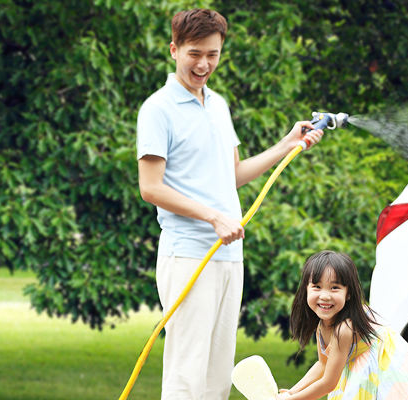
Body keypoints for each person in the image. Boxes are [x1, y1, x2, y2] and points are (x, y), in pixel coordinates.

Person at [135, 8, 324, 400]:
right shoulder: (157, 109)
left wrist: (287, 144)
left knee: (218, 376)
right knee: (187, 375)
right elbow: (150, 188)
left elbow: (233, 174)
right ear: (174, 50)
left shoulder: (218, 104)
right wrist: (214, 217)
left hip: (228, 256)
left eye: (213, 54)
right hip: (188, 255)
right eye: (194, 53)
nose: (204, 64)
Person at [279, 251, 408, 400]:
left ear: (349, 293)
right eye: (317, 287)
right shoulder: (323, 324)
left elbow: (329, 383)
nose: (325, 296)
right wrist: (292, 391)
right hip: (362, 368)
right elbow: (323, 364)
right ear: (306, 289)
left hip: (387, 370)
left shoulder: (344, 329)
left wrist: (293, 399)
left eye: (334, 288)